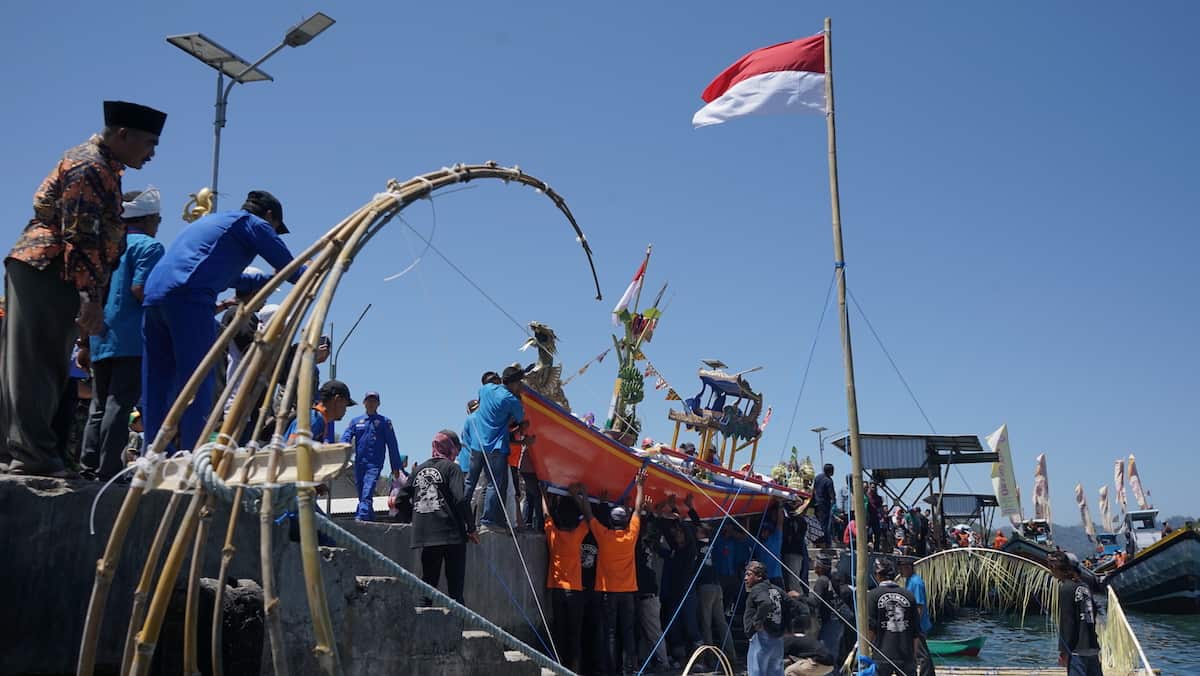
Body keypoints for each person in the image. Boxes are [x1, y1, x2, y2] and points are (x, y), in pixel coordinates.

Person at [2, 101, 165, 477]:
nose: (152, 153)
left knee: (31, 364)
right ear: (123, 134)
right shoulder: (91, 166)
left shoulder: (103, 165)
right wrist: (90, 299)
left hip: (47, 268)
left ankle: (25, 453)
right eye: (149, 143)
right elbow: (81, 235)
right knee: (36, 365)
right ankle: (32, 456)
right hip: (48, 266)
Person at [141, 190, 303, 452]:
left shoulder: (216, 223)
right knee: (199, 379)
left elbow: (232, 278)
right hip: (190, 299)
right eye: (275, 227)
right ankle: (192, 452)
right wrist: (316, 270)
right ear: (270, 216)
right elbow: (293, 270)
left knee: (158, 382)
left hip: (155, 296)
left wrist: (269, 280)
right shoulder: (253, 224)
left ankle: (155, 452)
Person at [79, 188, 164, 480]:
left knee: (99, 405)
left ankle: (88, 466)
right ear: (150, 218)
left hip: (100, 336)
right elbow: (141, 291)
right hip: (131, 338)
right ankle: (109, 471)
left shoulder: (107, 246)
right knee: (119, 403)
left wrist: (83, 341)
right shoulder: (150, 248)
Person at [575, 469, 645, 675]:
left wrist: (585, 494)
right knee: (629, 631)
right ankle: (630, 670)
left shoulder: (604, 536)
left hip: (607, 592)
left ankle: (610, 670)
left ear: (611, 521)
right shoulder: (631, 535)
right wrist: (640, 484)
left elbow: (588, 515)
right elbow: (639, 510)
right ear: (624, 522)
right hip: (629, 592)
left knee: (611, 633)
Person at [406, 430, 477, 605]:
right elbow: (460, 499)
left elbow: (400, 499)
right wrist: (471, 527)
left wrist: (415, 518)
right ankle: (457, 630)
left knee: (427, 587)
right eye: (456, 451)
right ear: (451, 448)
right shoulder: (452, 468)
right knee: (455, 590)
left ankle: (424, 628)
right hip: (452, 536)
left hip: (426, 536)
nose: (456, 455)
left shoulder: (418, 470)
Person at [469, 366, 528, 535]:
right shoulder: (511, 400)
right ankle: (488, 521)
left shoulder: (485, 391)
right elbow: (521, 422)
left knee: (476, 487)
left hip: (480, 447)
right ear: (515, 382)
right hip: (496, 447)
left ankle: (475, 521)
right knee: (495, 486)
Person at [541, 485, 591, 673]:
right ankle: (575, 669)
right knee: (575, 634)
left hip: (556, 590)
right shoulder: (577, 536)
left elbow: (546, 515)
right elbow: (588, 517)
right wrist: (581, 496)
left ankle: (559, 667)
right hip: (575, 591)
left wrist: (543, 494)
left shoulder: (553, 534)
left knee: (560, 632)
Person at [341, 391, 403, 522]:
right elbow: (346, 437)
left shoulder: (384, 422)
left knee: (367, 491)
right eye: (369, 400)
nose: (371, 403)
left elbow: (392, 445)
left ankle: (361, 517)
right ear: (364, 403)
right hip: (359, 463)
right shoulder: (356, 422)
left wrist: (396, 467)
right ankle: (370, 519)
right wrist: (341, 451)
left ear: (378, 404)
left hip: (374, 464)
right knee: (362, 493)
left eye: (374, 401)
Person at [1049, 550, 1102, 676]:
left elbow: (1067, 622)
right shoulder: (1084, 586)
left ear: (1055, 567)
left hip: (1077, 649)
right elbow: (1093, 613)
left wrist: (1064, 651)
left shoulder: (1066, 589)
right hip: (1092, 645)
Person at [866, 558, 920, 676]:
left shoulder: (873, 595)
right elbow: (916, 632)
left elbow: (871, 628)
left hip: (882, 653)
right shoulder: (909, 595)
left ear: (877, 575)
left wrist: (865, 650)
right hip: (906, 654)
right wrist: (913, 656)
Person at [743, 560, 785, 676]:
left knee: (757, 671)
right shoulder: (777, 590)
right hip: (777, 637)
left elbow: (765, 603)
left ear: (759, 576)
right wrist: (786, 627)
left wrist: (757, 622)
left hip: (762, 637)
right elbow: (793, 606)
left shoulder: (758, 589)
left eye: (748, 575)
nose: (745, 578)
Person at [285, 380, 356, 447]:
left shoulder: (319, 419)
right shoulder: (314, 419)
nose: (345, 410)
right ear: (337, 400)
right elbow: (292, 444)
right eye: (345, 405)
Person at [898, 557, 935, 676]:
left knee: (921, 654)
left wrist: (915, 626)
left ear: (908, 568)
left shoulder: (916, 582)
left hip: (918, 624)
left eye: (902, 568)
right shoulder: (909, 580)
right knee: (921, 652)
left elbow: (919, 606)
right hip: (914, 623)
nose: (900, 571)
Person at [808, 557, 843, 661]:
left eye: (816, 565)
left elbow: (815, 602)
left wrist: (799, 598)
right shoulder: (831, 579)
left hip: (830, 621)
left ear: (820, 567)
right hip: (836, 620)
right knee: (832, 652)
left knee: (827, 654)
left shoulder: (821, 581)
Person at [782, 495, 814, 598]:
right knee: (793, 580)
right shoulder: (795, 519)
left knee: (793, 581)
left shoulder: (798, 521)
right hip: (792, 552)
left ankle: (801, 603)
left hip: (794, 553)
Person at [812, 464, 836, 548]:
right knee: (825, 525)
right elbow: (832, 495)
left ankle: (817, 541)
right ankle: (825, 542)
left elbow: (813, 489)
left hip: (816, 503)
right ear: (830, 471)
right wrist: (833, 504)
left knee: (817, 523)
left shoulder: (818, 477)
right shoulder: (829, 481)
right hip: (824, 505)